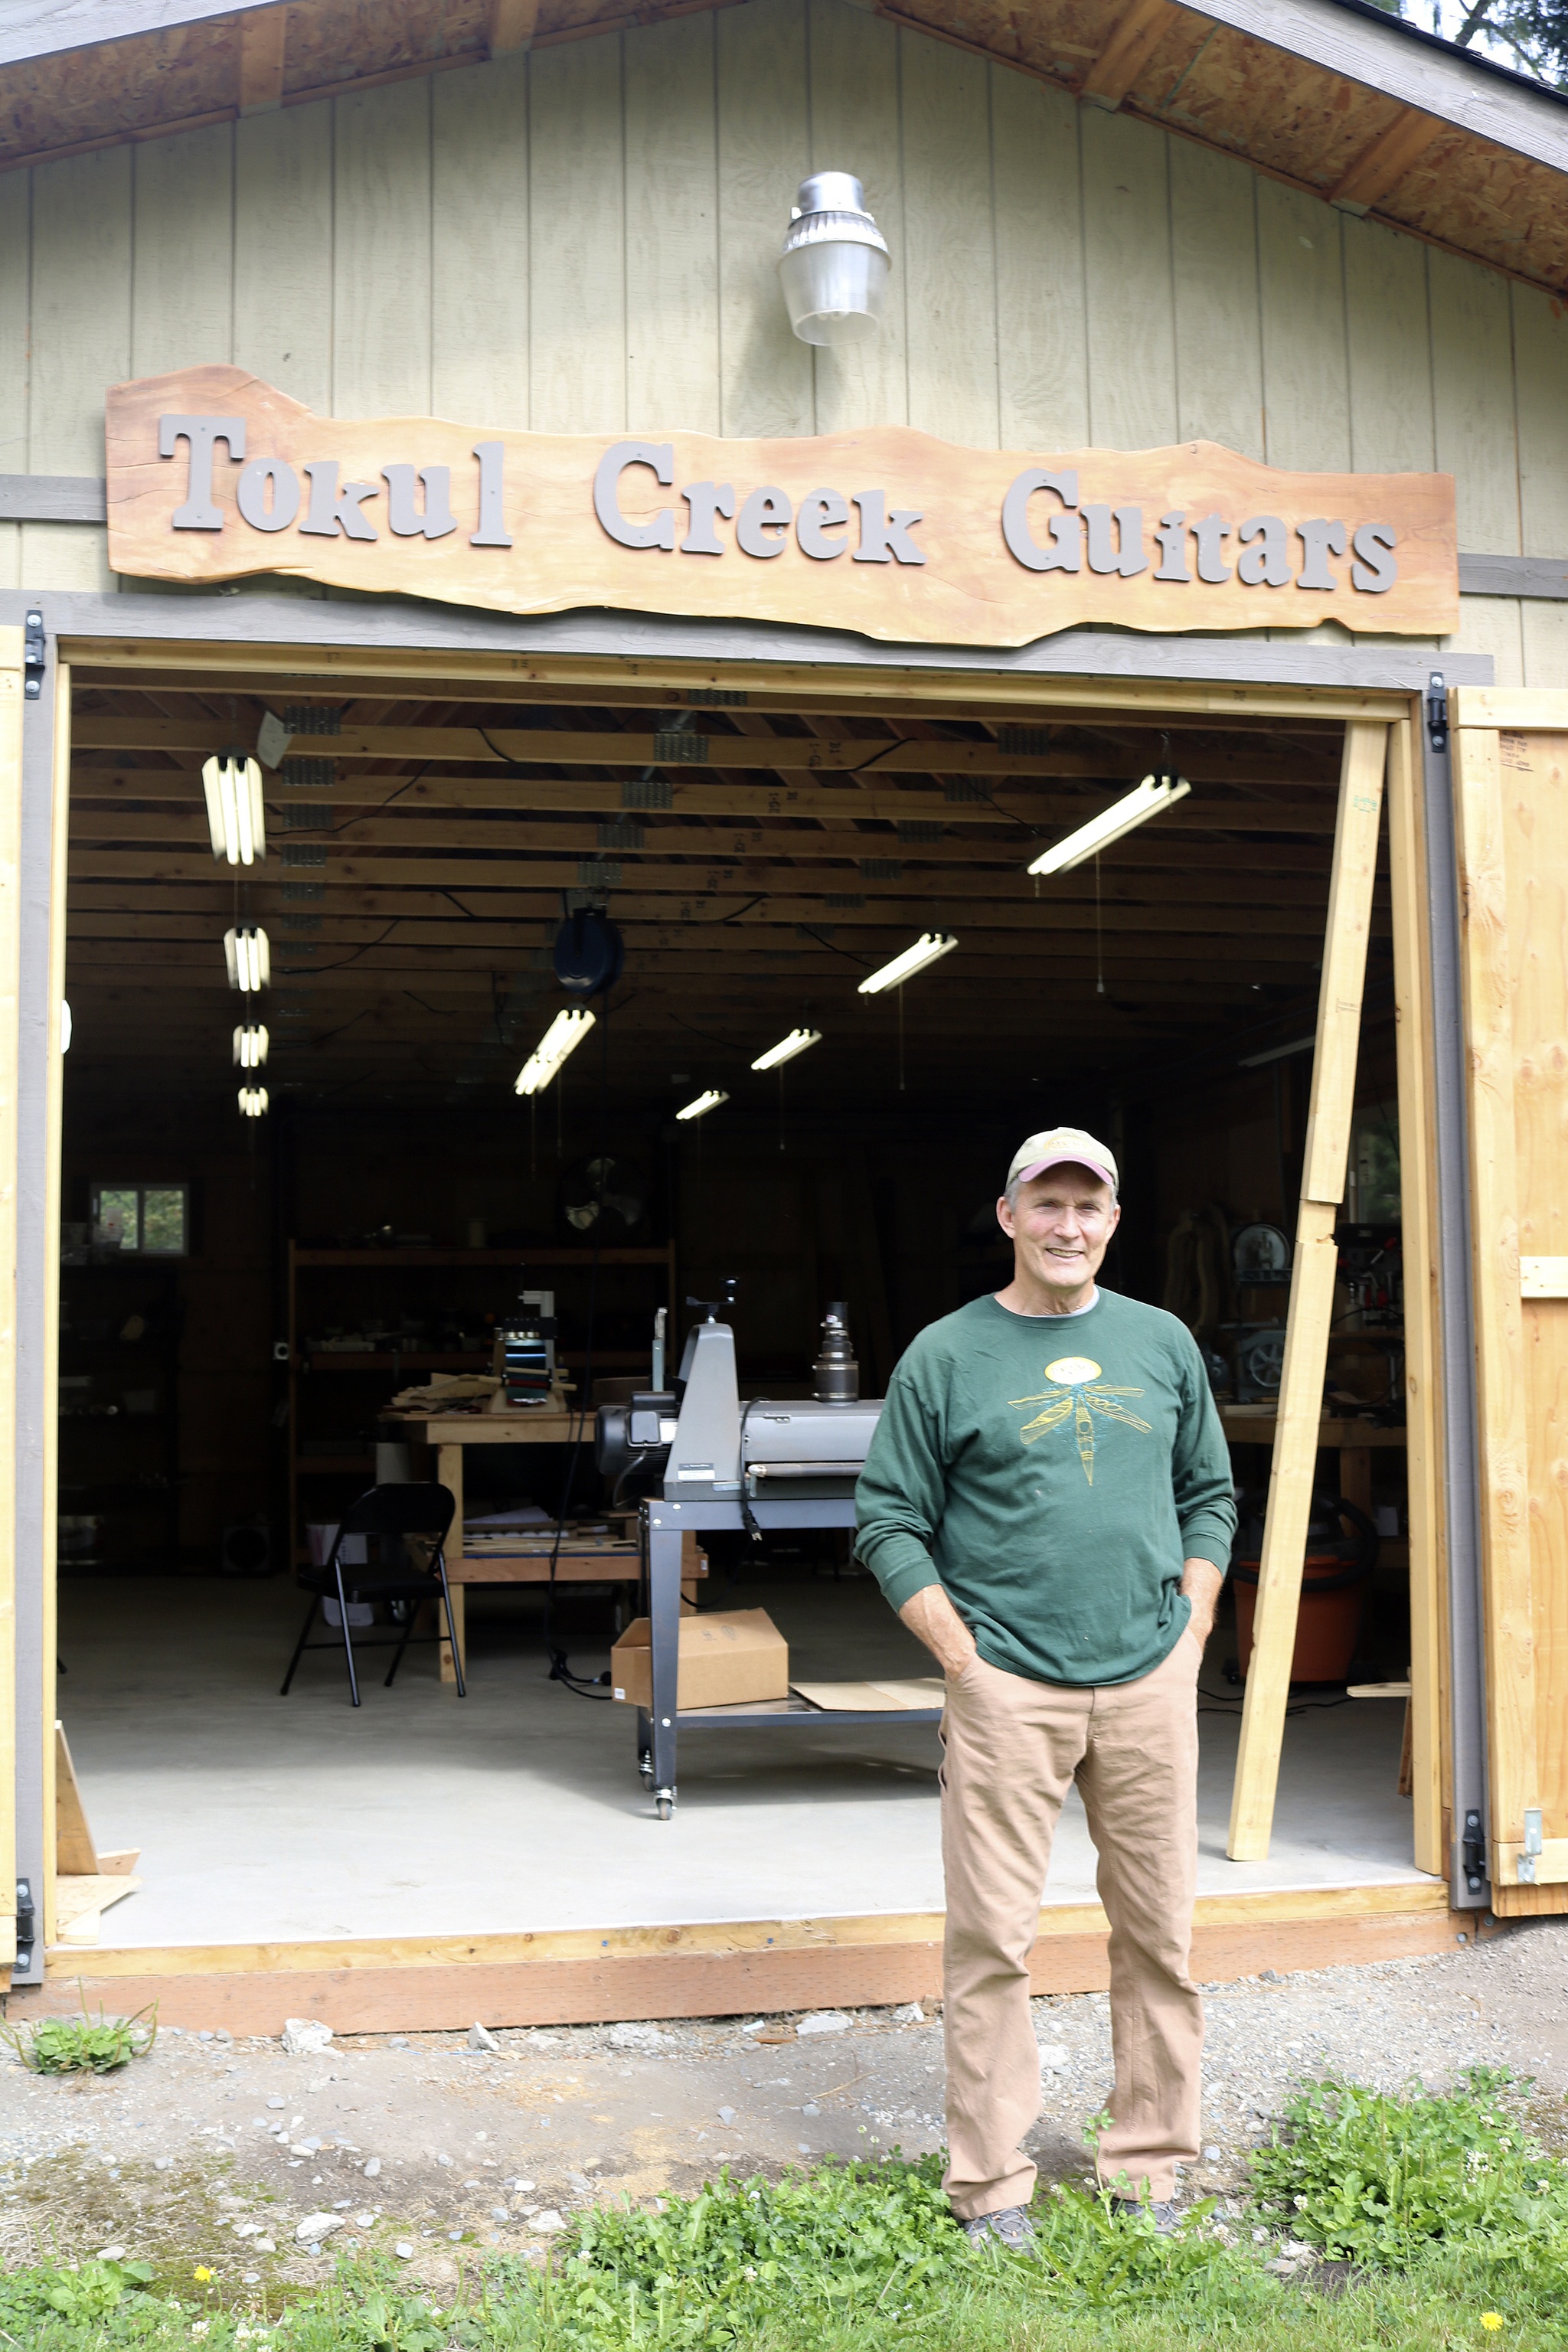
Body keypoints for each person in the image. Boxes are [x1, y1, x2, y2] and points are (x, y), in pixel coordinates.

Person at [854, 1127, 1236, 2248]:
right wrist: (962, 1661)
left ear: (1115, 1221)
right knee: (991, 1946)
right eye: (1047, 1204)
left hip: (1150, 1680)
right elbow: (889, 1518)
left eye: (1090, 1207)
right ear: (1009, 1215)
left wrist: (1194, 1625)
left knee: (1160, 1932)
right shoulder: (946, 1353)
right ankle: (989, 2185)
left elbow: (1209, 1491)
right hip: (1006, 1685)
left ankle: (1151, 2167)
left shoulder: (1163, 1343)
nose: (1069, 1226)